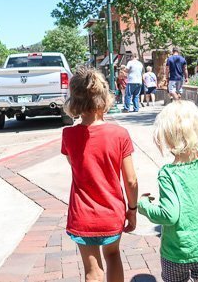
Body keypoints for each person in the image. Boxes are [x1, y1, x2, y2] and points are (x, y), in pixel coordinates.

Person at [138, 100, 198, 282]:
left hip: (176, 252)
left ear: (166, 136)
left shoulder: (168, 174)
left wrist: (144, 205)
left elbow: (168, 216)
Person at [61, 67, 139, 282]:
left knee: (92, 271)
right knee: (113, 255)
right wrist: (132, 210)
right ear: (104, 98)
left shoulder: (68, 135)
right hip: (111, 211)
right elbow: (131, 180)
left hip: (83, 215)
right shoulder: (120, 134)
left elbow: (76, 167)